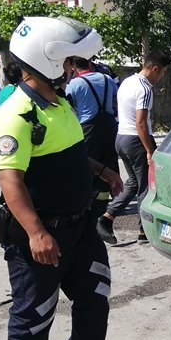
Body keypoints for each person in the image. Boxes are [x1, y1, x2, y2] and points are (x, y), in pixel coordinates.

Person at [0, 16, 126, 340]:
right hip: (41, 237)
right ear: (47, 60)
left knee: (94, 298)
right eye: (68, 61)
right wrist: (35, 232)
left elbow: (68, 151)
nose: (72, 68)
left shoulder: (59, 101)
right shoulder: (17, 113)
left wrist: (101, 171)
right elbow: (10, 178)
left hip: (80, 228)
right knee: (34, 315)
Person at [98, 51, 171, 243]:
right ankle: (144, 231)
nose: (163, 77)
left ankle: (106, 218)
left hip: (121, 137)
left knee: (133, 183)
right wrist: (149, 150)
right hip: (136, 140)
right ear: (155, 69)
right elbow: (141, 123)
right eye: (163, 72)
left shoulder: (127, 81)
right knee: (146, 187)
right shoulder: (145, 89)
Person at [65, 56, 120, 244]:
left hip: (88, 128)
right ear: (90, 63)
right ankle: (103, 204)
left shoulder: (74, 84)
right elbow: (114, 101)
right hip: (110, 126)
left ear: (73, 67)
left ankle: (87, 204)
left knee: (89, 165)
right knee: (108, 164)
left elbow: (70, 110)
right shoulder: (107, 78)